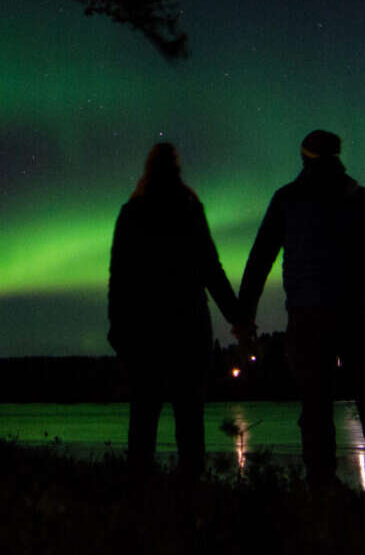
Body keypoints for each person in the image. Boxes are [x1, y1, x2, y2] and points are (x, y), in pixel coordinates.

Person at [234, 129, 365, 491]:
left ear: (304, 158)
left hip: (308, 318)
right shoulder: (364, 200)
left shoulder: (287, 199)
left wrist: (244, 318)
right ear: (338, 158)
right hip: (359, 316)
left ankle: (323, 489)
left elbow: (259, 260)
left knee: (315, 409)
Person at [108, 142, 239, 478]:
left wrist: (118, 328)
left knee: (143, 421)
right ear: (177, 170)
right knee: (190, 423)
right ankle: (192, 503)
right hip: (189, 329)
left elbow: (119, 278)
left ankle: (140, 502)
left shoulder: (131, 213)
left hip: (144, 331)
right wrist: (238, 317)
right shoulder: (190, 209)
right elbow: (212, 269)